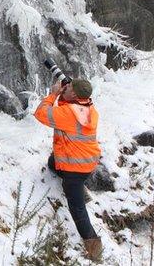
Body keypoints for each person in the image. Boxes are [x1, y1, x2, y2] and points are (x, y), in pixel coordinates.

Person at [33, 77, 103, 262]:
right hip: (88, 163)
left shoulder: (68, 114)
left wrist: (55, 93)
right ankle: (78, 188)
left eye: (69, 86)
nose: (67, 86)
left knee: (77, 208)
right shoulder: (89, 109)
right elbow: (67, 108)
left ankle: (94, 248)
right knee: (52, 162)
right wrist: (65, 94)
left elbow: (40, 113)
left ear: (74, 94)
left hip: (74, 167)